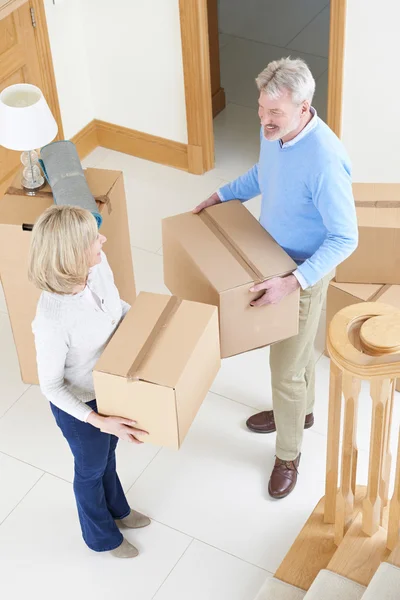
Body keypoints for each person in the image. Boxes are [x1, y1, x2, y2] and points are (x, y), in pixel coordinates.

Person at [194, 57, 358, 499]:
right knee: (299, 351)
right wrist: (222, 194)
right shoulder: (276, 131)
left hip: (302, 272)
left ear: (304, 108)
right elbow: (264, 174)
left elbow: (346, 238)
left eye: (275, 114)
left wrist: (294, 281)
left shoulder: (324, 160)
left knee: (284, 368)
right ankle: (301, 413)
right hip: (274, 259)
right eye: (261, 110)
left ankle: (289, 454)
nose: (264, 121)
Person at [29, 205, 149, 558]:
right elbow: (51, 387)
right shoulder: (52, 321)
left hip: (109, 385)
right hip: (81, 406)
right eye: (93, 239)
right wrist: (100, 420)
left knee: (108, 455)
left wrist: (141, 323)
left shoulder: (96, 266)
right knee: (90, 468)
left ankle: (119, 510)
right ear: (72, 254)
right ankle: (101, 537)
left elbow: (116, 306)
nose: (103, 239)